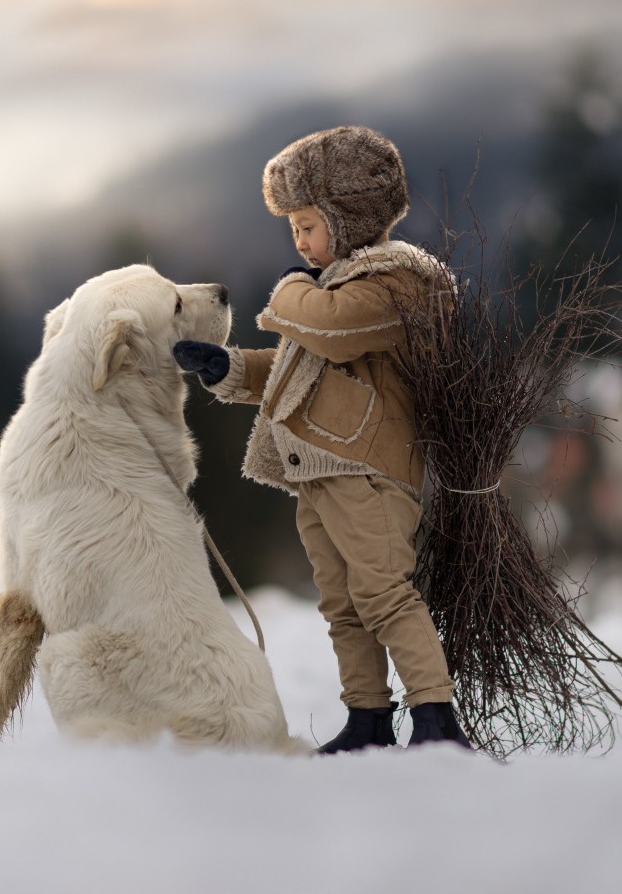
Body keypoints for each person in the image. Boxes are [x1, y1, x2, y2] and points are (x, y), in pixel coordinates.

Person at [173, 126, 470, 753]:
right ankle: (367, 717)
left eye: (308, 225)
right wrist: (227, 368)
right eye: (294, 230)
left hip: (370, 472)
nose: (300, 242)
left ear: (350, 216)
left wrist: (286, 287)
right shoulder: (332, 285)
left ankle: (437, 720)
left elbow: (330, 331)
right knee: (343, 605)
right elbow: (294, 368)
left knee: (385, 592)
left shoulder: (398, 282)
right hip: (319, 472)